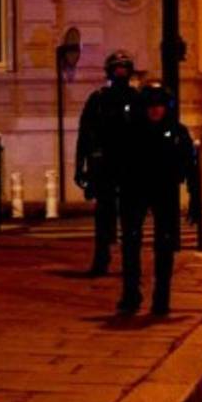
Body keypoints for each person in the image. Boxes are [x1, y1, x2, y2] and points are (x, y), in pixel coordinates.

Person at [118, 81, 201, 316]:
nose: (155, 110)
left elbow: (191, 166)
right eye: (151, 105)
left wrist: (195, 199)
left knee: (164, 246)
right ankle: (131, 294)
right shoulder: (133, 131)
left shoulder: (177, 132)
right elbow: (120, 163)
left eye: (159, 105)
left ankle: (161, 298)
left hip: (164, 192)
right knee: (131, 243)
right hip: (136, 191)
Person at [74, 50, 138, 277]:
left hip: (130, 166)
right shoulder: (99, 99)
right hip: (105, 167)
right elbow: (85, 134)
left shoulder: (137, 99)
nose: (121, 72)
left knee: (131, 217)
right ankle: (102, 259)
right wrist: (80, 166)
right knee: (104, 218)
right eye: (117, 68)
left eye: (124, 68)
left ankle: (130, 261)